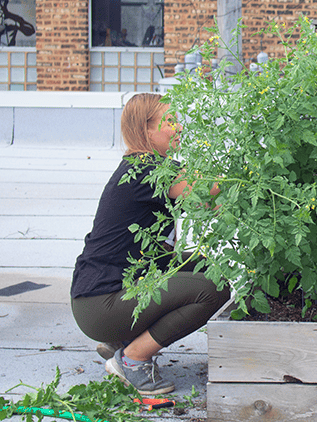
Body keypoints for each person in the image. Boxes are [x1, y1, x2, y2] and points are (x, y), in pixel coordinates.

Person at [70, 93, 229, 395]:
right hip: (100, 305)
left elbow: (210, 204)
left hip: (110, 293)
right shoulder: (147, 170)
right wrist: (254, 177)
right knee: (213, 288)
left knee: (207, 266)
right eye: (170, 121)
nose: (179, 128)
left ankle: (125, 340)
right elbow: (213, 191)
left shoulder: (151, 167)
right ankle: (132, 359)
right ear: (146, 130)